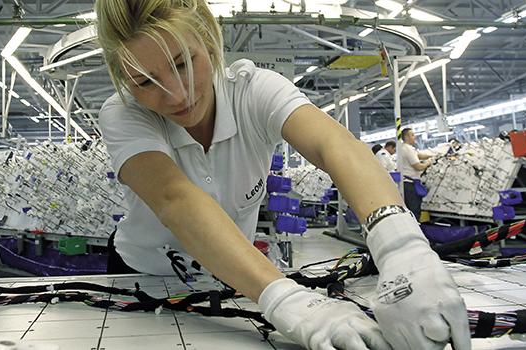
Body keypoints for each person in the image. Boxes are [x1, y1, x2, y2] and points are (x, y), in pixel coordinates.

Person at [95, 1, 469, 349]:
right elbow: (174, 198)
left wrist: (400, 245)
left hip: (235, 275)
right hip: (140, 274)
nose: (177, 95)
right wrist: (285, 298)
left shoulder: (254, 92)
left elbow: (334, 145)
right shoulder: (124, 115)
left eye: (183, 63)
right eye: (145, 81)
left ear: (208, 40)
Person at [396, 128, 434, 219]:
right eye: (412, 135)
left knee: (408, 210)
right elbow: (418, 166)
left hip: (404, 184)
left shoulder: (403, 148)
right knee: (414, 211)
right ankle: (416, 230)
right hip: (410, 185)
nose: (414, 137)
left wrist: (432, 155)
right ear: (406, 137)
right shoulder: (408, 149)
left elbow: (419, 155)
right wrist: (429, 163)